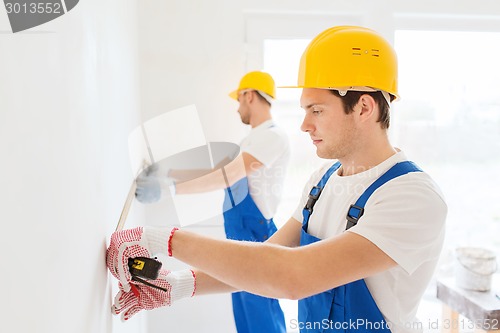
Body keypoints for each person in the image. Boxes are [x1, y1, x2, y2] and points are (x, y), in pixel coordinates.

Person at [107, 26, 447, 333]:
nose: (304, 125)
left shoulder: (411, 195)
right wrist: (176, 287)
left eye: (316, 110)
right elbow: (266, 258)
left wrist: (163, 239)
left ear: (363, 108)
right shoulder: (322, 181)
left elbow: (294, 276)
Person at [134, 71, 290, 333]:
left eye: (239, 100)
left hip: (257, 235)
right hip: (240, 236)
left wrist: (170, 189)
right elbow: (215, 169)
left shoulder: (273, 136)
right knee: (246, 319)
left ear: (249, 95)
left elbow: (229, 174)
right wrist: (167, 172)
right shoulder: (250, 139)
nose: (238, 108)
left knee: (262, 317)